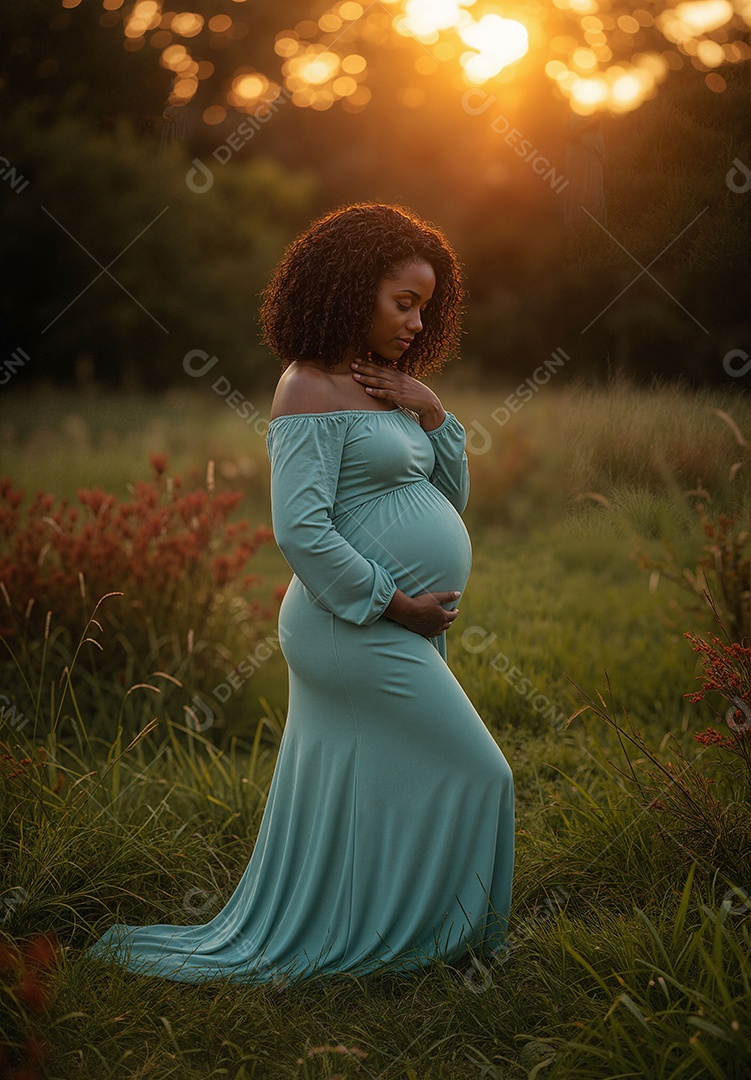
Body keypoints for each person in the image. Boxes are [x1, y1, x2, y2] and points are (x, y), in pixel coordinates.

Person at [84, 202, 515, 987]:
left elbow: (446, 498)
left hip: (393, 623)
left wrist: (432, 413)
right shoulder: (307, 388)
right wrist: (396, 604)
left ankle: (419, 935)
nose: (417, 323)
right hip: (348, 624)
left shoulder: (389, 388)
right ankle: (431, 943)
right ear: (352, 289)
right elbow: (301, 532)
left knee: (387, 781)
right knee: (483, 772)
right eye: (403, 303)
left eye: (426, 306)